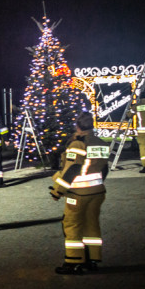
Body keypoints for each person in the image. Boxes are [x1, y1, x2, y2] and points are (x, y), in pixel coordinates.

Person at [50, 112, 107, 275]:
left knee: (72, 225)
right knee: (92, 225)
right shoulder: (100, 142)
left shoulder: (77, 144)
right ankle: (92, 259)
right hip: (97, 192)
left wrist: (57, 191)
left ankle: (73, 262)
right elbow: (104, 169)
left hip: (78, 194)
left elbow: (72, 169)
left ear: (78, 126)